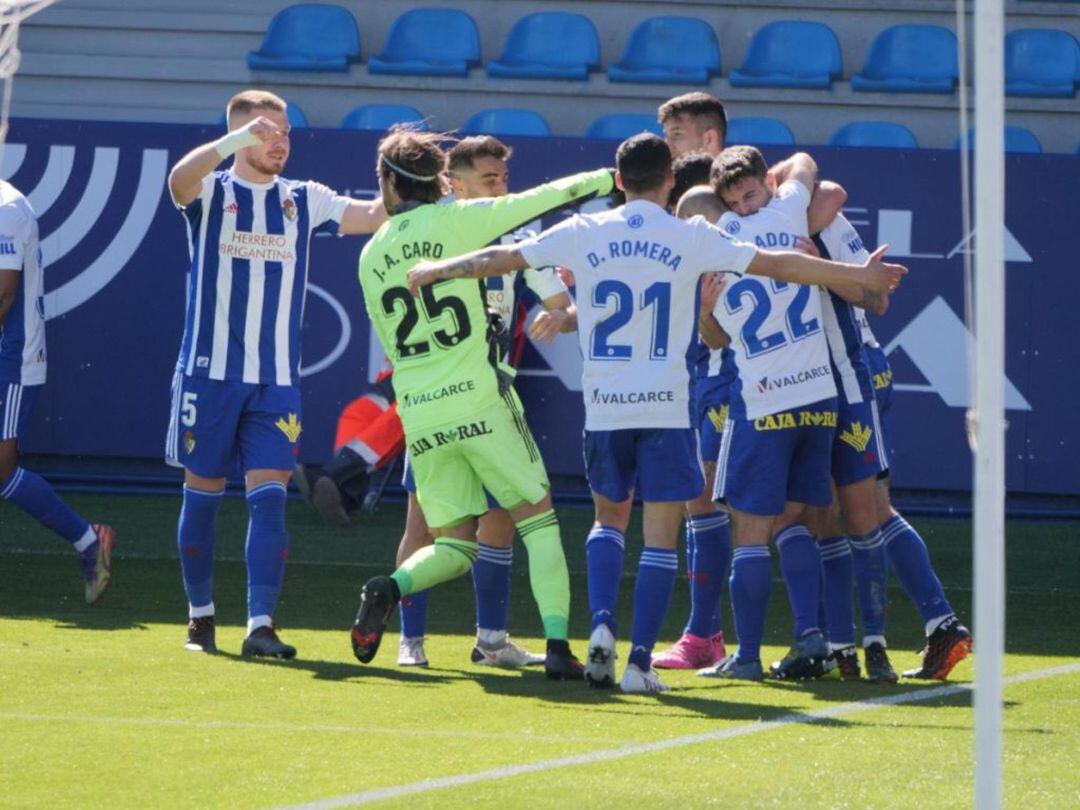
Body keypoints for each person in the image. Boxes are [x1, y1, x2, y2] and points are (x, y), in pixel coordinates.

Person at [407, 133, 905, 693]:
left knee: (607, 521)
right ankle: (639, 662)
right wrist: (858, 277)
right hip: (666, 408)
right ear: (671, 181)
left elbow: (502, 256)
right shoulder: (690, 235)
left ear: (618, 182)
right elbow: (783, 265)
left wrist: (440, 269)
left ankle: (599, 624)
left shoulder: (584, 230)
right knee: (662, 536)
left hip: (604, 407)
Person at [348, 129, 616, 681]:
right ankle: (560, 647)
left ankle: (389, 588)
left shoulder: (370, 253)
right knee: (538, 520)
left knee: (451, 545)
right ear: (444, 181)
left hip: (420, 410)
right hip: (479, 393)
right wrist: (608, 179)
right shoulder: (463, 223)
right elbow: (543, 200)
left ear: (390, 183)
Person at [165, 89, 388, 658]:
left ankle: (260, 626)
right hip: (209, 374)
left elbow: (370, 214)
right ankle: (200, 618)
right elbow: (178, 183)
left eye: (286, 132)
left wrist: (422, 192)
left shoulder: (301, 199)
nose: (281, 141)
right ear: (240, 136)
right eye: (267, 132)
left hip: (276, 381)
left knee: (268, 499)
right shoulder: (214, 191)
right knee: (204, 496)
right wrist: (233, 141)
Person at [693, 146, 883, 680]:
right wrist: (782, 181)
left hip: (764, 401)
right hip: (819, 397)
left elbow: (716, 339)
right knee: (796, 519)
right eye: (738, 200)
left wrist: (705, 309)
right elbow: (805, 162)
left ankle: (748, 657)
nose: (747, 207)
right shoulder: (788, 208)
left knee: (749, 532)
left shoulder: (716, 243)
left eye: (750, 194)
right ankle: (812, 637)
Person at [392, 135, 577, 669]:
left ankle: (491, 640)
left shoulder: (518, 235)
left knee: (499, 520)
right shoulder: (428, 229)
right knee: (423, 523)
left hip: (493, 393)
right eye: (490, 179)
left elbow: (561, 306)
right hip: (438, 393)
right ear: (454, 182)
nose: (502, 187)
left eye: (503, 178)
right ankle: (411, 641)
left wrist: (560, 316)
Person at [805, 218, 972, 681]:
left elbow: (873, 296)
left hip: (850, 374)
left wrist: (827, 269)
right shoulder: (817, 218)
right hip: (843, 371)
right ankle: (918, 627)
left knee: (853, 513)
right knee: (855, 511)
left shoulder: (810, 208)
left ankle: (861, 640)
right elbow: (876, 297)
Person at [0, 179, 116, 602]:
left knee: (1, 470)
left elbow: (3, 293)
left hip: (10, 359)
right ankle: (88, 540)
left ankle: (89, 539)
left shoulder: (7, 207)